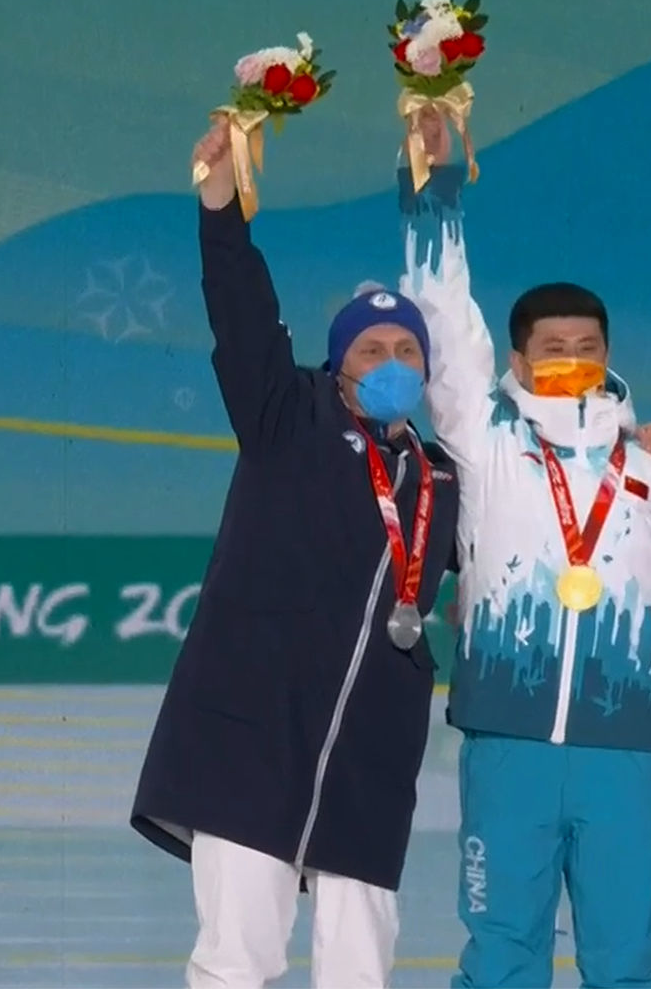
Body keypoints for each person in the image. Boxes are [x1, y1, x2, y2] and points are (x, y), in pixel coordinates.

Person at [131, 118, 463, 989]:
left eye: (407, 351)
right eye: (371, 349)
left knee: (359, 970)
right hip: (252, 738)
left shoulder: (440, 476)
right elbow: (242, 316)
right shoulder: (289, 416)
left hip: (369, 756)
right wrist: (220, 207)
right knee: (236, 961)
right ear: (337, 361)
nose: (391, 362)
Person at [396, 109, 651, 989]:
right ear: (518, 360)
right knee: (502, 957)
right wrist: (433, 194)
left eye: (587, 348)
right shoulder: (488, 443)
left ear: (610, 354)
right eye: (553, 349)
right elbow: (444, 324)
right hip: (508, 742)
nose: (572, 361)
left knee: (626, 963)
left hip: (625, 748)